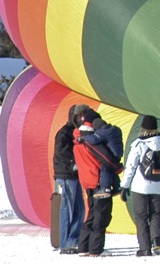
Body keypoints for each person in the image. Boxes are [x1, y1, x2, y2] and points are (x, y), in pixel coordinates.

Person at [74, 109, 124, 257]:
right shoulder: (91, 141)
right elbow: (107, 159)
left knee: (90, 214)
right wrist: (118, 168)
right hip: (98, 181)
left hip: (86, 181)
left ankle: (83, 247)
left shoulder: (76, 139)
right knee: (101, 215)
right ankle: (96, 249)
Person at [120, 114, 160, 256]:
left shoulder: (139, 144)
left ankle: (144, 248)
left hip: (140, 186)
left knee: (141, 216)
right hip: (159, 185)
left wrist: (125, 186)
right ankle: (157, 241)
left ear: (143, 128)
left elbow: (131, 166)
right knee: (156, 214)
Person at [52, 104, 91, 255]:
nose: (83, 119)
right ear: (74, 117)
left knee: (79, 209)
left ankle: (74, 239)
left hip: (75, 175)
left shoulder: (76, 132)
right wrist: (75, 164)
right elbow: (62, 154)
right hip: (67, 176)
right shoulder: (65, 133)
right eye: (81, 116)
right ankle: (65, 242)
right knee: (67, 209)